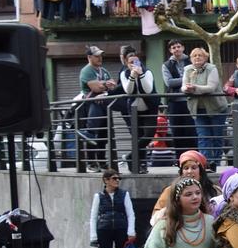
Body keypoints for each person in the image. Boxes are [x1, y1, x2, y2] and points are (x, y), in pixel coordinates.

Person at [89, 168, 136, 248]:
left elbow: (130, 214)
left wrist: (131, 231)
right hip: (104, 229)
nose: (117, 181)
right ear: (106, 180)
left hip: (121, 229)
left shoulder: (124, 194)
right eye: (114, 178)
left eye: (118, 178)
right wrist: (93, 236)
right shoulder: (98, 196)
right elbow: (93, 217)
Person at [115, 46, 160, 174]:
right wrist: (132, 77)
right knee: (137, 137)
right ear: (126, 63)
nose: (134, 65)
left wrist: (140, 75)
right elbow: (128, 90)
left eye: (136, 62)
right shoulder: (124, 73)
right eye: (131, 63)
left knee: (148, 134)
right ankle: (139, 165)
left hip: (149, 108)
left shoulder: (148, 72)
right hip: (134, 110)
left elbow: (147, 89)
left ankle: (130, 156)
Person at [182, 48, 228, 170]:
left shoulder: (211, 68)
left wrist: (194, 88)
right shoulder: (187, 69)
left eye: (200, 55)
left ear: (205, 58)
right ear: (191, 58)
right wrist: (186, 89)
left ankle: (216, 163)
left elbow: (211, 87)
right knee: (203, 136)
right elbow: (183, 86)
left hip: (216, 108)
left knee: (217, 136)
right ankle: (205, 164)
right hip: (198, 109)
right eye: (194, 56)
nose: (197, 58)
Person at [78, 45, 117, 169]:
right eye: (96, 56)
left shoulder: (103, 70)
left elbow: (114, 85)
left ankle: (101, 160)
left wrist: (103, 85)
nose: (100, 58)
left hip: (104, 105)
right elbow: (95, 88)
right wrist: (106, 84)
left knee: (103, 134)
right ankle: (91, 162)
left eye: (100, 56)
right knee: (92, 133)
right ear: (89, 57)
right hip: (91, 106)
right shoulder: (87, 70)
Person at [161, 40, 196, 160]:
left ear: (183, 48)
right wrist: (186, 79)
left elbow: (196, 78)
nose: (176, 49)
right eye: (173, 47)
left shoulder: (191, 61)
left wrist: (181, 80)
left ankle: (193, 159)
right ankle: (180, 160)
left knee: (191, 132)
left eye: (178, 46)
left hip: (190, 100)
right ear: (170, 50)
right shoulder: (166, 65)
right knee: (177, 132)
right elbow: (169, 82)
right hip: (174, 102)